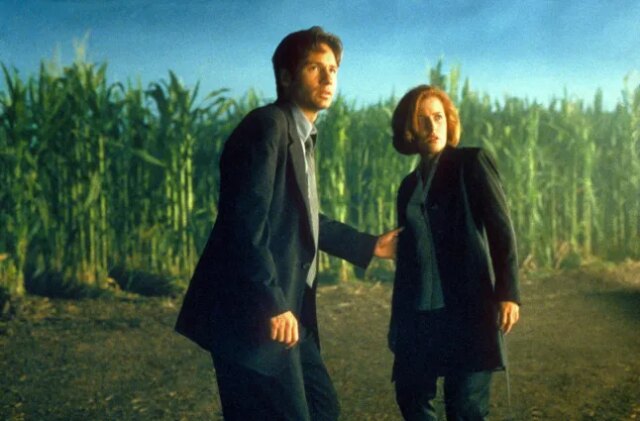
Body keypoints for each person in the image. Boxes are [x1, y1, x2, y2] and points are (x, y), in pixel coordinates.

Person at [175, 26, 399, 421]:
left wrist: (369, 245)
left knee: (323, 408)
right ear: (285, 76)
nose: (328, 78)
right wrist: (272, 303)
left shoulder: (302, 136)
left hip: (289, 310)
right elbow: (244, 224)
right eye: (315, 68)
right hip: (254, 313)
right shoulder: (268, 126)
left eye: (333, 69)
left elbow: (301, 218)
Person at [388, 85, 521, 421]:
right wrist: (398, 321)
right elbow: (407, 260)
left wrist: (508, 293)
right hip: (420, 313)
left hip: (468, 309)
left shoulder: (470, 163)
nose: (432, 127)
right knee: (411, 396)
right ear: (409, 129)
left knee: (465, 408)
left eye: (438, 118)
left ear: (449, 122)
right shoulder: (408, 186)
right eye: (422, 120)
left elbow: (501, 229)